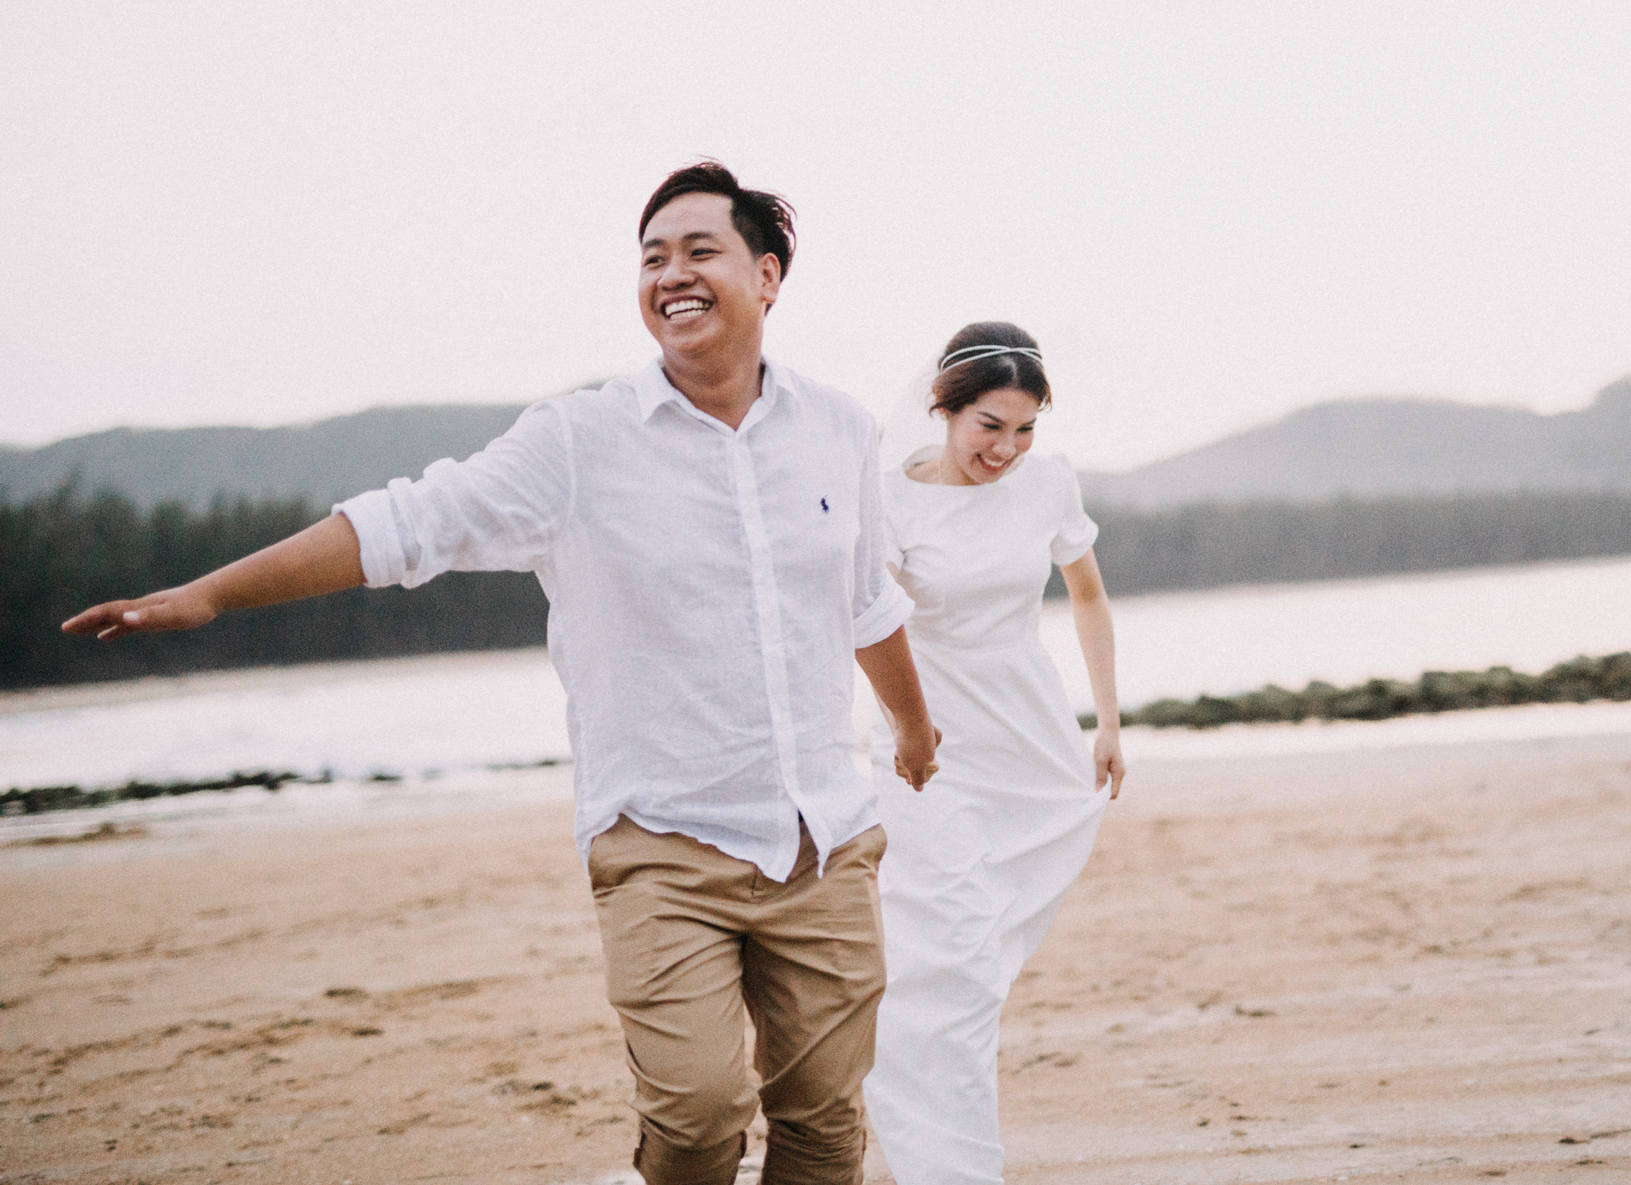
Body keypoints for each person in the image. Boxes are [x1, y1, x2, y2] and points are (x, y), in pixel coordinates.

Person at [61, 162, 942, 1185]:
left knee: (826, 1129)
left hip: (823, 843)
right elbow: (408, 523)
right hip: (661, 845)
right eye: (652, 258)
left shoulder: (837, 428)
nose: (671, 274)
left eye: (700, 251)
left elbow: (865, 603)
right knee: (699, 1124)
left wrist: (913, 730)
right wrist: (211, 594)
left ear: (769, 275)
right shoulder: (578, 442)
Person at [859, 322, 1124, 1185]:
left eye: (1024, 429)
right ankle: (953, 1164)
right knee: (955, 955)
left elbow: (1087, 595)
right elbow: (869, 621)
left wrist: (1108, 723)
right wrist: (910, 724)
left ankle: (939, 1134)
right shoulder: (889, 499)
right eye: (988, 426)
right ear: (943, 410)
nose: (1007, 449)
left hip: (1025, 740)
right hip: (921, 749)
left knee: (975, 961)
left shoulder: (1048, 484)